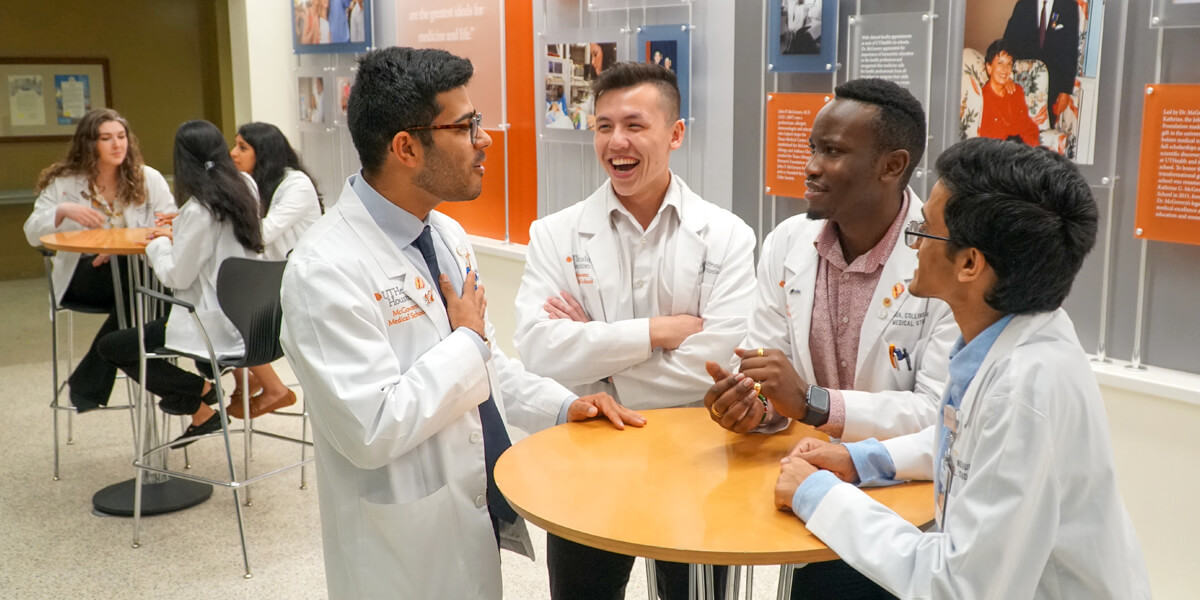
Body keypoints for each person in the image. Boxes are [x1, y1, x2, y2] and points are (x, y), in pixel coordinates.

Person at [278, 47, 642, 599]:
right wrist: (467, 340)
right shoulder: (323, 270)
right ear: (406, 147)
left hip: (464, 520)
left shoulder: (445, 236)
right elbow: (372, 428)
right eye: (466, 124)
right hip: (397, 553)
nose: (485, 138)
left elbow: (485, 367)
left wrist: (563, 407)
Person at [773, 137, 1151, 599]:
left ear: (970, 263)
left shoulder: (1023, 388)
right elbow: (967, 447)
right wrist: (861, 459)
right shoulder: (1017, 335)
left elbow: (958, 587)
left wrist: (819, 495)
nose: (912, 243)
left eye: (924, 230)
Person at [703, 78, 958, 600]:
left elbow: (939, 415)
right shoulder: (788, 242)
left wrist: (816, 404)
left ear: (892, 166)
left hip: (904, 508)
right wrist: (753, 407)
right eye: (813, 148)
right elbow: (769, 369)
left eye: (833, 151)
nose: (812, 165)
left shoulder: (942, 256)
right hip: (809, 486)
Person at [515, 62, 755, 600]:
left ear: (675, 134)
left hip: (696, 459)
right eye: (603, 126)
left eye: (634, 125)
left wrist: (596, 349)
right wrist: (660, 330)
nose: (616, 142)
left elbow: (720, 362)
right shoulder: (555, 234)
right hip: (588, 457)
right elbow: (538, 350)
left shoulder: (727, 237)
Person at [97, 120, 264, 448]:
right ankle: (199, 405)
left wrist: (156, 244)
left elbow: (175, 276)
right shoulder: (245, 186)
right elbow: (219, 241)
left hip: (213, 326)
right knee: (144, 336)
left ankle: (198, 395)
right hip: (254, 322)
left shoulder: (199, 209)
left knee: (113, 346)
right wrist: (180, 234)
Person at [23, 108, 176, 413]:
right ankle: (189, 381)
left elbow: (170, 226)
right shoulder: (64, 182)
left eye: (121, 137)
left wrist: (122, 246)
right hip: (83, 276)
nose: (118, 145)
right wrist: (63, 211)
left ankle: (90, 379)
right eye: (106, 138)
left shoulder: (148, 178)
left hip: (134, 274)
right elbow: (31, 233)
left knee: (144, 283)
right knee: (159, 291)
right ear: (89, 144)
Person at [226, 121, 323, 419]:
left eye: (243, 147)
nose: (232, 153)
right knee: (218, 300)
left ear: (264, 152)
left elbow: (261, 234)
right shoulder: (253, 183)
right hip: (271, 279)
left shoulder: (296, 184)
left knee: (223, 312)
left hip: (301, 286)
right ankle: (250, 377)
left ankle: (272, 387)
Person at [1003, 0, 1079, 129]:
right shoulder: (1023, 5)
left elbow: (1070, 50)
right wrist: (1007, 77)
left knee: (1042, 132)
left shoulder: (1068, 6)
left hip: (1052, 87)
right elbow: (1008, 43)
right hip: (1022, 83)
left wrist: (1065, 90)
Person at [977, 39, 1040, 146]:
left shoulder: (1017, 92)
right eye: (1000, 63)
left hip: (1022, 149)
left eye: (1009, 64)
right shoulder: (981, 99)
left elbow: (1027, 128)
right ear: (989, 67)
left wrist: (1035, 150)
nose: (1005, 69)